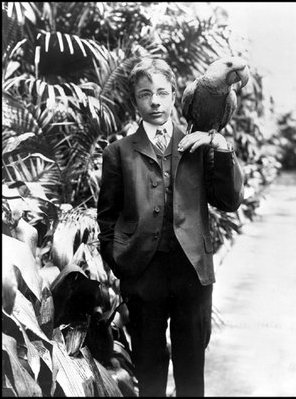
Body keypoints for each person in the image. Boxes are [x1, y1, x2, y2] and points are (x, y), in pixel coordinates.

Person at [97, 58, 244, 397]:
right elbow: (106, 216)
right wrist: (119, 261)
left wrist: (221, 149)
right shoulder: (119, 152)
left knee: (191, 369)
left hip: (192, 272)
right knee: (149, 369)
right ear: (136, 101)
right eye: (145, 94)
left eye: (162, 92)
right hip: (142, 274)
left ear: (175, 96)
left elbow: (230, 200)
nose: (155, 101)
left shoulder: (199, 143)